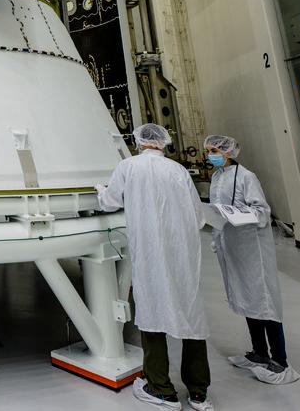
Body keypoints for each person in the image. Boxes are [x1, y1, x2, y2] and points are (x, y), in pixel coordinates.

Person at [98, 123, 213, 411]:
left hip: (150, 253)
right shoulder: (178, 170)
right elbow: (198, 216)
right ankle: (199, 393)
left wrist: (101, 192)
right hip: (182, 253)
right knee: (191, 315)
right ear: (164, 142)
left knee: (152, 314)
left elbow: (110, 202)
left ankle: (161, 389)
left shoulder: (128, 167)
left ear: (139, 142)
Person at [204, 134, 299, 386]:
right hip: (232, 247)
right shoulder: (217, 177)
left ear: (228, 152)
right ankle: (259, 353)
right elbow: (217, 211)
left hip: (252, 249)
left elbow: (262, 212)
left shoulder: (247, 177)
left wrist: (238, 214)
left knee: (264, 301)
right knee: (247, 299)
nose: (210, 155)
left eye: (215, 150)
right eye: (209, 150)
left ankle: (280, 362)